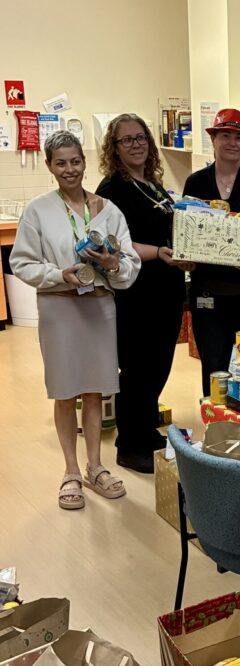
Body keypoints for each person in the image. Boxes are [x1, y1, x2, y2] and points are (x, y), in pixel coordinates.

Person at [10, 130, 140, 509]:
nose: (70, 169)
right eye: (61, 163)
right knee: (66, 390)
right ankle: (70, 470)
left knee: (96, 388)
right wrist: (58, 275)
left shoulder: (108, 209)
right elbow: (21, 262)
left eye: (75, 161)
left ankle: (95, 466)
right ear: (50, 167)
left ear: (85, 163)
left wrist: (114, 264)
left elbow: (129, 263)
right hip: (60, 306)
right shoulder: (38, 210)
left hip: (99, 305)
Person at [97, 113, 192, 474]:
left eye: (140, 138)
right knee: (136, 368)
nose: (136, 145)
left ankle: (147, 430)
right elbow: (116, 244)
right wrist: (160, 253)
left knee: (158, 364)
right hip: (135, 293)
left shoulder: (151, 183)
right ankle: (128, 444)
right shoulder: (112, 190)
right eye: (127, 140)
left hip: (165, 289)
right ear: (114, 147)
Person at [183, 109, 240, 396]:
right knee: (213, 363)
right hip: (208, 293)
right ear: (213, 139)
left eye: (238, 137)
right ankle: (215, 428)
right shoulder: (196, 182)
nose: (233, 142)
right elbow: (188, 230)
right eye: (226, 136)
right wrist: (186, 257)